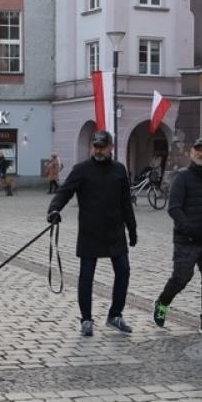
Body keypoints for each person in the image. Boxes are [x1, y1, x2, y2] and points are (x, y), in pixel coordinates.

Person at [47, 130, 137, 337]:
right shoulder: (82, 170)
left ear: (111, 148)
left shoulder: (119, 170)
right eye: (95, 146)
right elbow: (64, 192)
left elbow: (126, 203)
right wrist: (54, 210)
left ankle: (115, 315)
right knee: (86, 277)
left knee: (123, 271)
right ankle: (86, 319)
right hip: (90, 232)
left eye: (102, 147)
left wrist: (132, 229)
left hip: (115, 232)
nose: (98, 150)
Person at [152, 137, 202, 336]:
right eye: (198, 150)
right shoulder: (182, 178)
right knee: (181, 278)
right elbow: (174, 208)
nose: (201, 154)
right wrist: (188, 228)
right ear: (192, 153)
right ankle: (162, 302)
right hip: (187, 242)